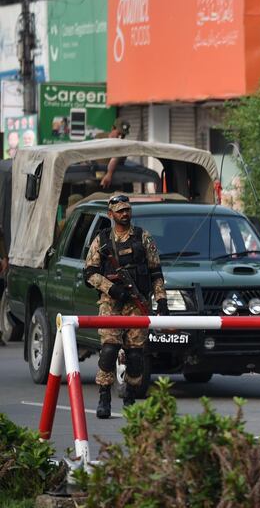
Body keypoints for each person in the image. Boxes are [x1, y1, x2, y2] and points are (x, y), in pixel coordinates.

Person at [84, 194, 168, 418]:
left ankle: (129, 395)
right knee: (109, 349)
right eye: (120, 211)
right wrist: (112, 288)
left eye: (127, 210)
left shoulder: (143, 237)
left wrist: (161, 300)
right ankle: (104, 397)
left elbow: (156, 272)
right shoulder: (101, 240)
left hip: (135, 304)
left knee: (135, 355)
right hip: (111, 303)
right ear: (110, 215)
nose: (125, 214)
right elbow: (89, 273)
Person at [98, 119, 131, 189]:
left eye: (123, 135)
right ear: (113, 128)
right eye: (119, 134)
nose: (120, 137)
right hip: (93, 178)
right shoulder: (99, 137)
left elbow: (115, 158)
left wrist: (109, 174)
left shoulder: (123, 146)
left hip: (114, 183)